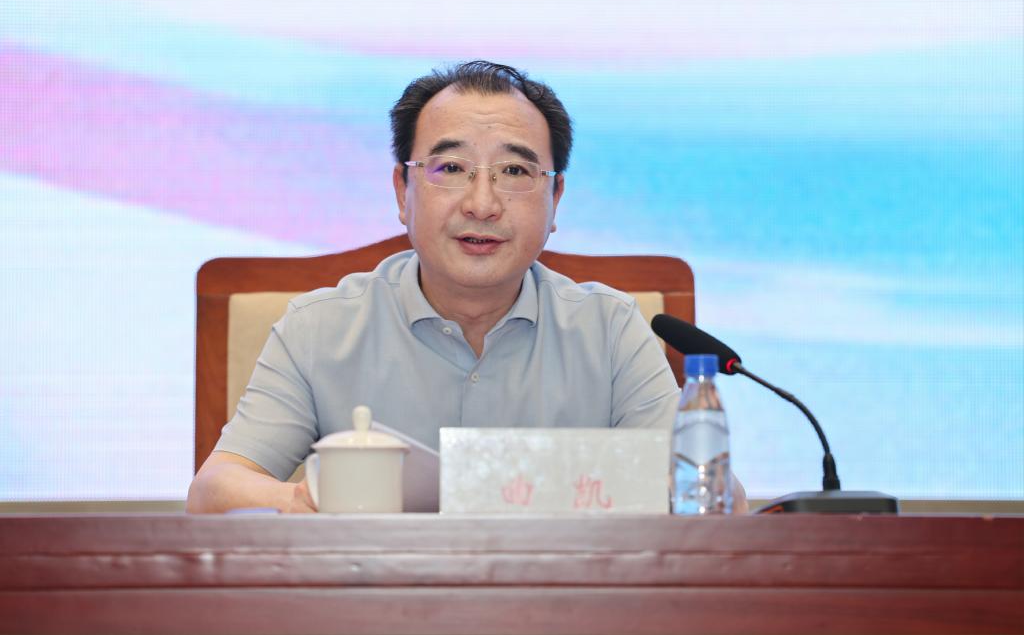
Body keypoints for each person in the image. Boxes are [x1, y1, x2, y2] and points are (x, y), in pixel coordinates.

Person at [186, 60, 743, 514]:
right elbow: (214, 492)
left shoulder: (610, 330)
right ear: (402, 191)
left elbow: (720, 501)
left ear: (556, 200)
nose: (482, 203)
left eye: (515, 172)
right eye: (450, 169)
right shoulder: (319, 329)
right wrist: (304, 503)